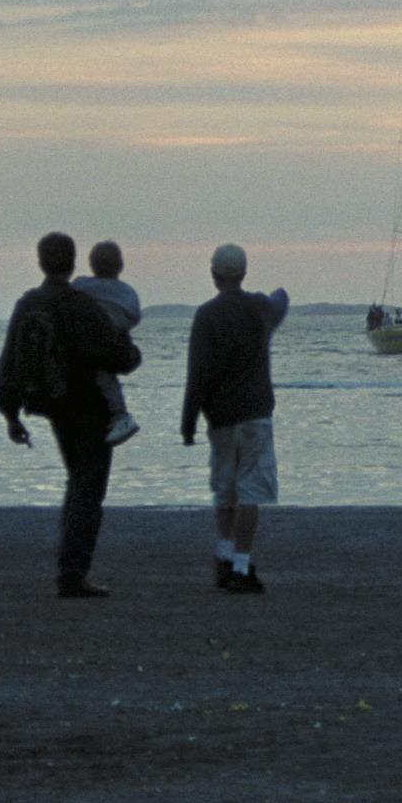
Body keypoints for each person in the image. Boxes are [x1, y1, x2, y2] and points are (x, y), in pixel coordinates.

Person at [0, 231, 141, 598]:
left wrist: (10, 414)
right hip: (89, 406)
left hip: (52, 404)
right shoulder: (80, 306)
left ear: (41, 262)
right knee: (88, 489)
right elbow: (116, 357)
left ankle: (71, 568)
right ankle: (73, 572)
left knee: (77, 483)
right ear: (74, 263)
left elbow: (9, 360)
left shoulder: (29, 304)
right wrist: (133, 353)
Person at [182, 241, 291, 593]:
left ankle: (224, 555)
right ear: (243, 273)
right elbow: (281, 300)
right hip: (255, 412)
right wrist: (278, 293)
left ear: (214, 275)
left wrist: (188, 421)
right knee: (250, 491)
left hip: (221, 417)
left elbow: (197, 373)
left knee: (225, 489)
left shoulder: (207, 315)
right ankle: (242, 565)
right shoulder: (260, 308)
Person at [70, 240, 144, 447]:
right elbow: (134, 316)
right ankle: (119, 415)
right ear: (120, 266)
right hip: (116, 342)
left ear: (92, 264)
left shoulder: (84, 285)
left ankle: (121, 416)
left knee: (103, 376)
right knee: (108, 379)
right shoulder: (127, 291)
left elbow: (69, 297)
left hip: (94, 343)